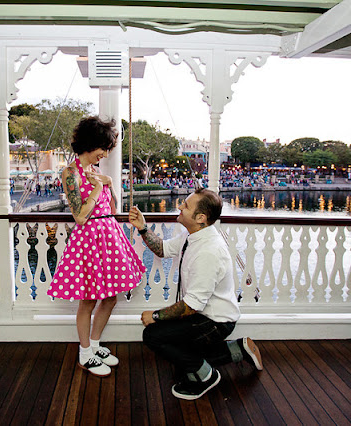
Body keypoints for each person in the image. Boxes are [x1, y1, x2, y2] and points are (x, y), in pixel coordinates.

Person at [128, 188, 263, 400]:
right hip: (202, 315)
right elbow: (162, 249)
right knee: (182, 350)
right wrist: (143, 228)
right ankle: (239, 350)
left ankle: (207, 377)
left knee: (153, 335)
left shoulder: (208, 251)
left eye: (186, 205)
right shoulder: (193, 235)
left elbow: (192, 305)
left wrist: (154, 316)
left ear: (200, 218)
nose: (180, 206)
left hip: (215, 321)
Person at [47, 116, 145, 377]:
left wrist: (109, 186)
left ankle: (96, 344)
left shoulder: (96, 172)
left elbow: (111, 210)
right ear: (92, 143)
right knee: (88, 300)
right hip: (89, 241)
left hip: (108, 236)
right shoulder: (70, 173)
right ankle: (84, 353)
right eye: (104, 148)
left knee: (110, 297)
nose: (106, 153)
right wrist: (96, 188)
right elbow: (79, 216)